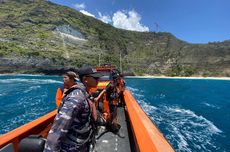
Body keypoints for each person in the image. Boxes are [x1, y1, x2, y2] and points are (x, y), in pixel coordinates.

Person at [44, 69, 101, 152]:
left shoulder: (85, 93)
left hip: (82, 144)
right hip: (72, 147)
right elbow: (59, 128)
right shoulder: (76, 98)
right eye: (95, 78)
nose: (98, 80)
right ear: (85, 79)